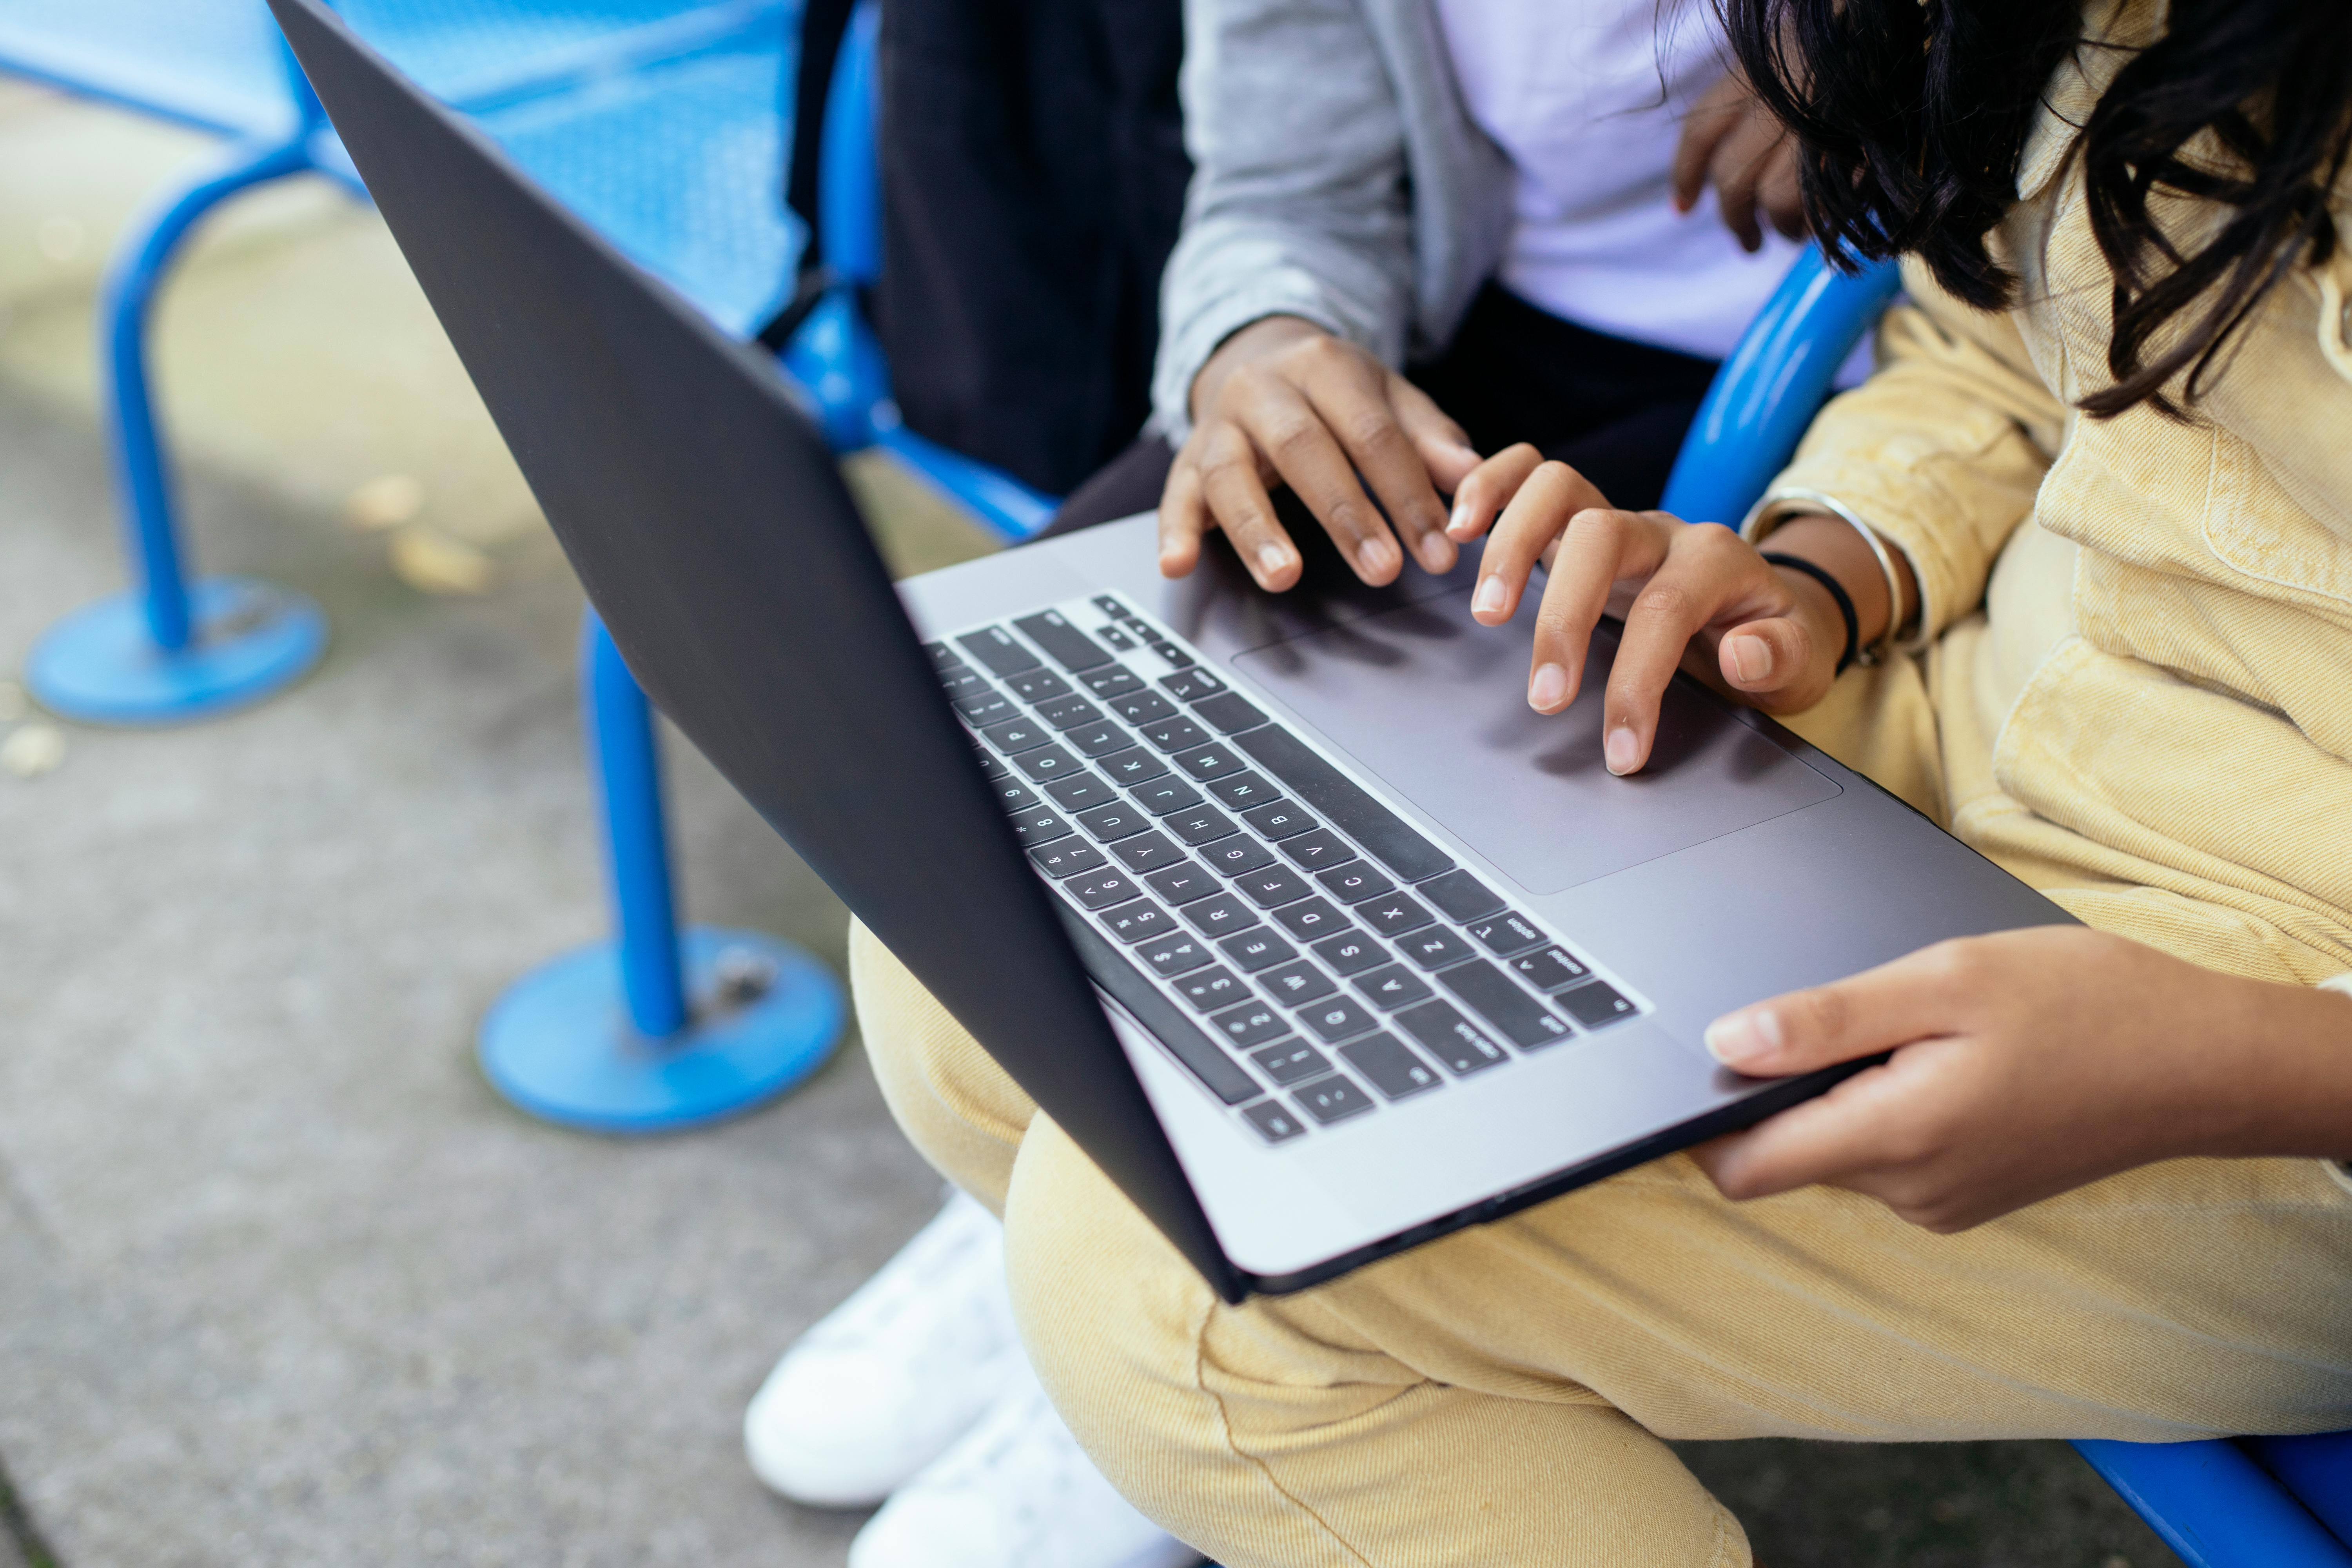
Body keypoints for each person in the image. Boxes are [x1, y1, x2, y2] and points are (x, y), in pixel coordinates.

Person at [849, 0, 2352, 1561]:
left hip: (2268, 1009)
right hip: (1973, 716)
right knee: (972, 939)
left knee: (1178, 1307)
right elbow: (1999, 343)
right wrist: (1821, 578)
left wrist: (2232, 1060)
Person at [747, 2, 1819, 1563]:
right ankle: (1043, 1213)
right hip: (1472, 339)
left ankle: (1164, 1327)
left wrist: (1923, 96)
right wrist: (1265, 340)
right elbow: (1279, 190)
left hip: (1811, 441)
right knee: (1027, 732)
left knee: (1417, 875)